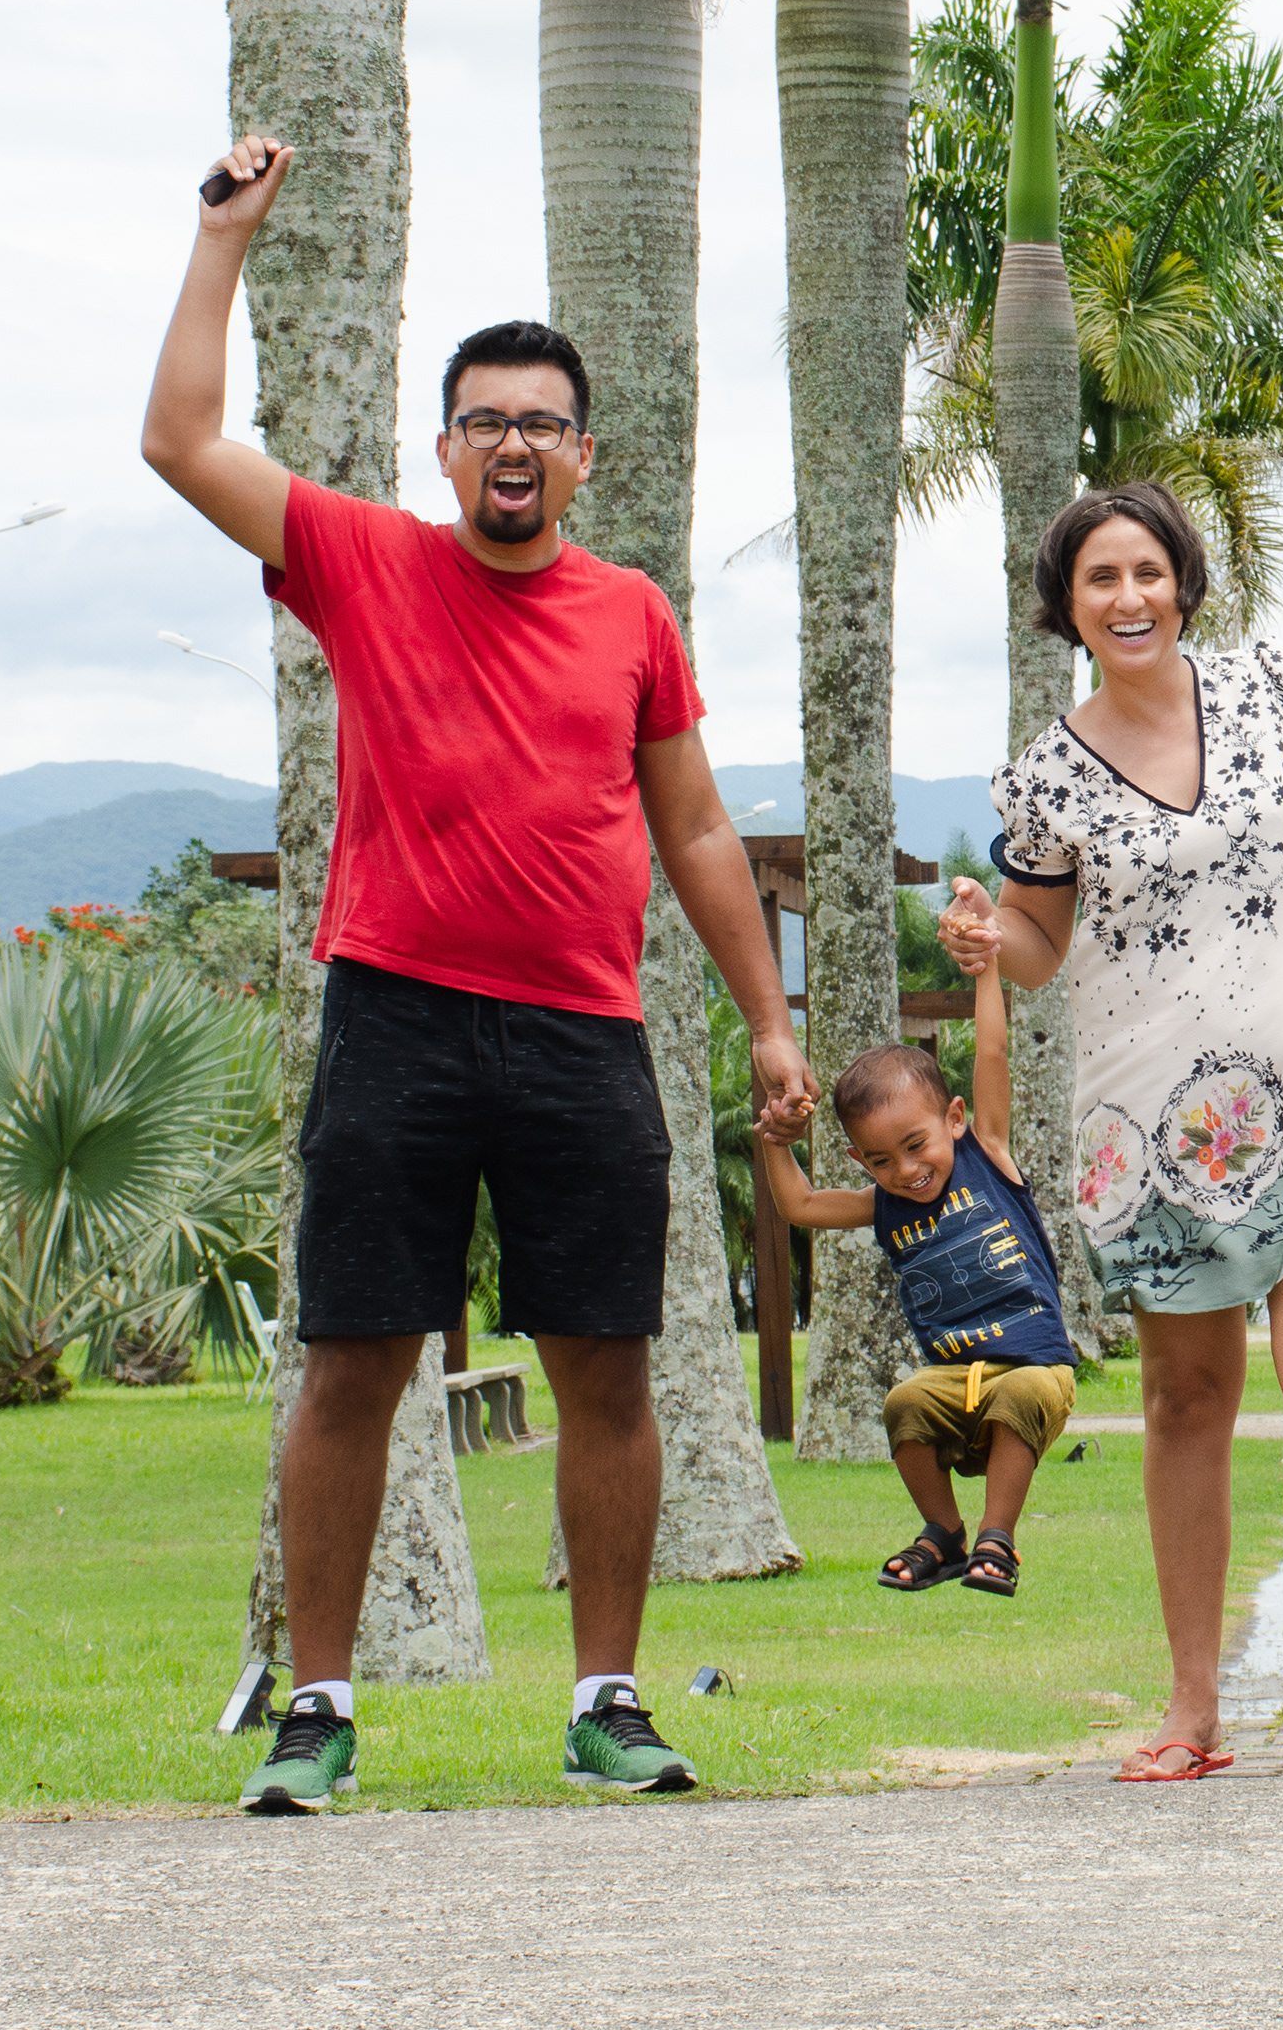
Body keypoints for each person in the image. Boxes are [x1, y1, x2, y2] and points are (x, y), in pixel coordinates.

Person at [143, 137, 818, 1816]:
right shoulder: (365, 561)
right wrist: (223, 242)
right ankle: (315, 1709)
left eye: (543, 424)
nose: (514, 445)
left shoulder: (633, 616)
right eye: (486, 420)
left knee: (608, 1365)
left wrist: (769, 1020)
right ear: (446, 449)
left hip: (590, 1037)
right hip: (397, 1019)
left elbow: (704, 834)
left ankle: (605, 1700)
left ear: (586, 457)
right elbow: (178, 442)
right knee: (357, 1363)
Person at [972, 481, 1283, 1780]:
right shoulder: (1048, 774)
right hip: (1154, 1124)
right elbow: (1037, 949)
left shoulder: (1265, 689)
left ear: (1183, 581)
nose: (1128, 597)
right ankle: (1190, 1708)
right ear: (1068, 608)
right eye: (1098, 580)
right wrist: (982, 934)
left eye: (1146, 572)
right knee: (1190, 1398)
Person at [749, 882, 1070, 1599]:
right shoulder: (883, 1205)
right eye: (880, 1160)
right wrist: (775, 1137)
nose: (907, 1170)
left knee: (1019, 1395)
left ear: (954, 1118)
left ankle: (998, 1539)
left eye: (917, 1145)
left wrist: (986, 961)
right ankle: (945, 1536)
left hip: (1035, 1362)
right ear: (862, 1162)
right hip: (956, 1379)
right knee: (905, 1404)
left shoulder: (988, 1155)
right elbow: (799, 1204)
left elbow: (991, 1047)